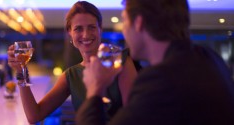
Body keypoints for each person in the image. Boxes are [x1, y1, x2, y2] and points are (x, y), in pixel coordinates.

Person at [76, 0, 234, 125]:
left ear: (138, 23)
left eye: (124, 20)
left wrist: (95, 90)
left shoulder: (162, 79)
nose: (123, 30)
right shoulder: (209, 58)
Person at [7, 1, 137, 124]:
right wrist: (20, 71)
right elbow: (34, 115)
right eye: (78, 29)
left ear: (100, 29)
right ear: (70, 32)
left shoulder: (120, 62)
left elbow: (134, 117)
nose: (85, 35)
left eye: (91, 27)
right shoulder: (71, 75)